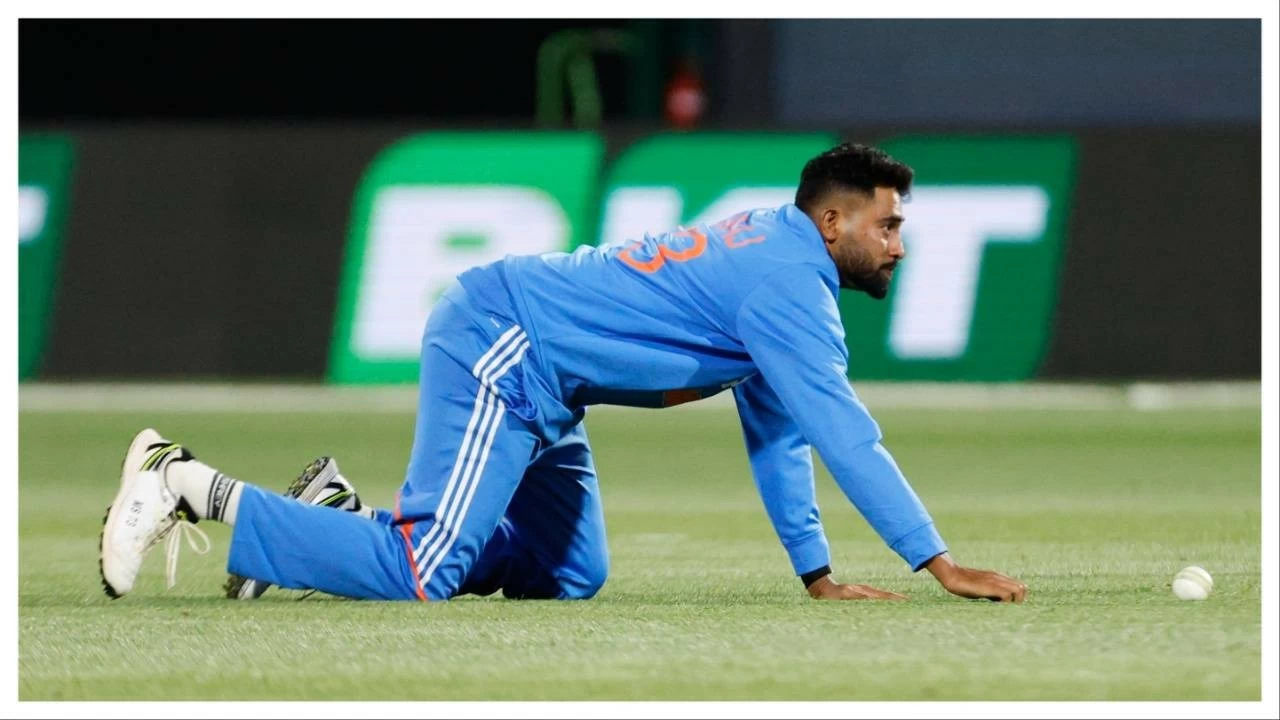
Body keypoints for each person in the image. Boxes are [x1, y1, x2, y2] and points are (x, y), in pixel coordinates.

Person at [99, 143, 1028, 604]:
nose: (899, 243)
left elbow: (780, 426)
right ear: (833, 223)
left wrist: (816, 574)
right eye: (888, 224)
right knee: (423, 569)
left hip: (554, 382)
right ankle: (187, 483)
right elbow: (843, 433)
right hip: (507, 345)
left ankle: (331, 519)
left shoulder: (781, 255)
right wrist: (937, 563)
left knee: (568, 575)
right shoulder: (790, 280)